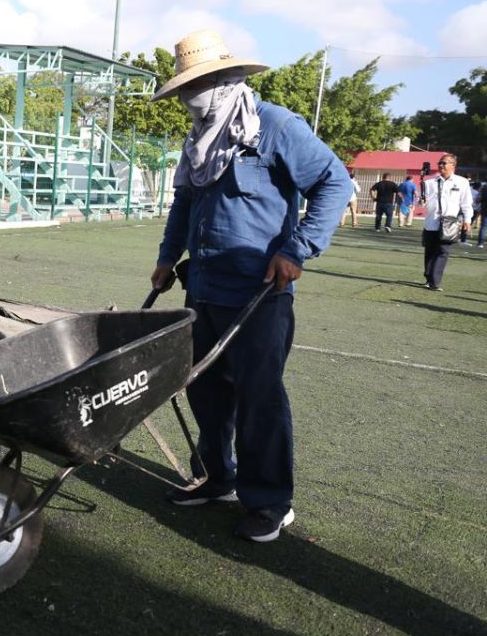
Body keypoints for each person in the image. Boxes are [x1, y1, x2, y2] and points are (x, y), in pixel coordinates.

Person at [148, 30, 349, 542]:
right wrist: (168, 257)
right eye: (184, 90)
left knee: (260, 398)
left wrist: (296, 249)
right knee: (205, 391)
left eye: (199, 85)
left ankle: (271, 502)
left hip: (260, 292)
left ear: (224, 79)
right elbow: (185, 204)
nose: (190, 99)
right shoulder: (199, 139)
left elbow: (335, 182)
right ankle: (219, 478)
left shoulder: (275, 127)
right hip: (205, 287)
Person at [417, 154, 473, 290]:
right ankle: (429, 277)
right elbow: (420, 204)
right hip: (431, 222)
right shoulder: (429, 182)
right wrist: (420, 201)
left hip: (450, 223)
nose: (441, 165)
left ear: (453, 165)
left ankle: (435, 282)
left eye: (444, 163)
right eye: (440, 163)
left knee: (443, 251)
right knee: (430, 252)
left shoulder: (462, 182)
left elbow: (466, 203)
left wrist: (467, 220)